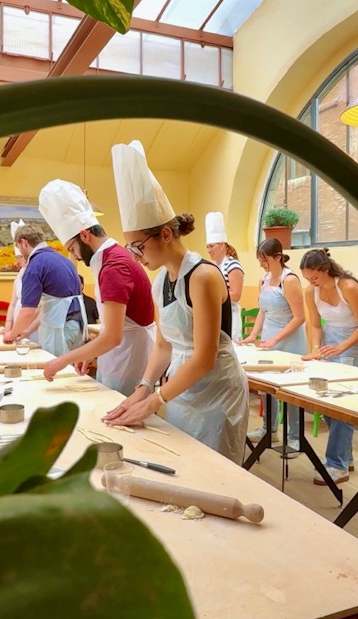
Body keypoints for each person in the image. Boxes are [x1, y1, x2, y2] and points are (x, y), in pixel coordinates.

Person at [102, 140, 249, 465]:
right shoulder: (160, 282)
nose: (136, 257)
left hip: (217, 392)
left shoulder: (203, 276)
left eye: (138, 246)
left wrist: (155, 399)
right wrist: (142, 388)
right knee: (186, 464)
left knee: (216, 472)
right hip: (184, 390)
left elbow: (204, 357)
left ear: (166, 234)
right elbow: (164, 346)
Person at [39, 179, 155, 396]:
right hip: (122, 352)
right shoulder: (113, 257)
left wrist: (64, 359)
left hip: (128, 358)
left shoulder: (113, 266)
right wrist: (90, 354)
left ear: (84, 235)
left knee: (118, 415)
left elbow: (112, 336)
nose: (74, 255)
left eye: (72, 248)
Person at [241, 238, 308, 455]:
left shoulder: (289, 280)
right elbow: (262, 310)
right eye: (260, 260)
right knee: (266, 388)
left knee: (290, 391)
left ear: (278, 257)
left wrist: (276, 339)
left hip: (289, 341)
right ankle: (268, 428)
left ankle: (295, 437)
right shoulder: (265, 279)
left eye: (265, 260)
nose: (262, 264)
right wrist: (253, 335)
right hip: (270, 339)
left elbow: (299, 317)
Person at [300, 248, 358, 484]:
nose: (311, 282)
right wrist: (315, 350)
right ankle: (346, 456)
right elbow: (315, 325)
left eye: (314, 277)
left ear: (325, 269)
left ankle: (337, 464)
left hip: (352, 344)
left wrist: (342, 348)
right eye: (307, 279)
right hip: (329, 345)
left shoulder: (348, 287)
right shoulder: (310, 292)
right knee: (323, 401)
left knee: (341, 404)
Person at [3, 223, 87, 356]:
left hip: (58, 330)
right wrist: (28, 331)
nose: (20, 253)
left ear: (24, 242)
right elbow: (50, 306)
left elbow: (28, 311)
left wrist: (11, 335)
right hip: (77, 326)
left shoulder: (35, 265)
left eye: (18, 247)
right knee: (71, 372)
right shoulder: (64, 260)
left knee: (55, 371)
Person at [205, 212, 244, 341]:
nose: (209, 250)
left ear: (222, 245)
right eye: (207, 247)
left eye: (212, 246)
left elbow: (236, 295)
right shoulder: (213, 266)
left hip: (230, 317)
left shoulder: (233, 265)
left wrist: (212, 296)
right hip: (216, 316)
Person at [1, 220, 40, 342]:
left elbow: (38, 307)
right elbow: (13, 303)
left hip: (33, 326)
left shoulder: (36, 271)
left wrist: (20, 329)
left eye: (20, 257)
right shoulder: (20, 274)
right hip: (17, 326)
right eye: (17, 258)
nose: (19, 261)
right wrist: (8, 327)